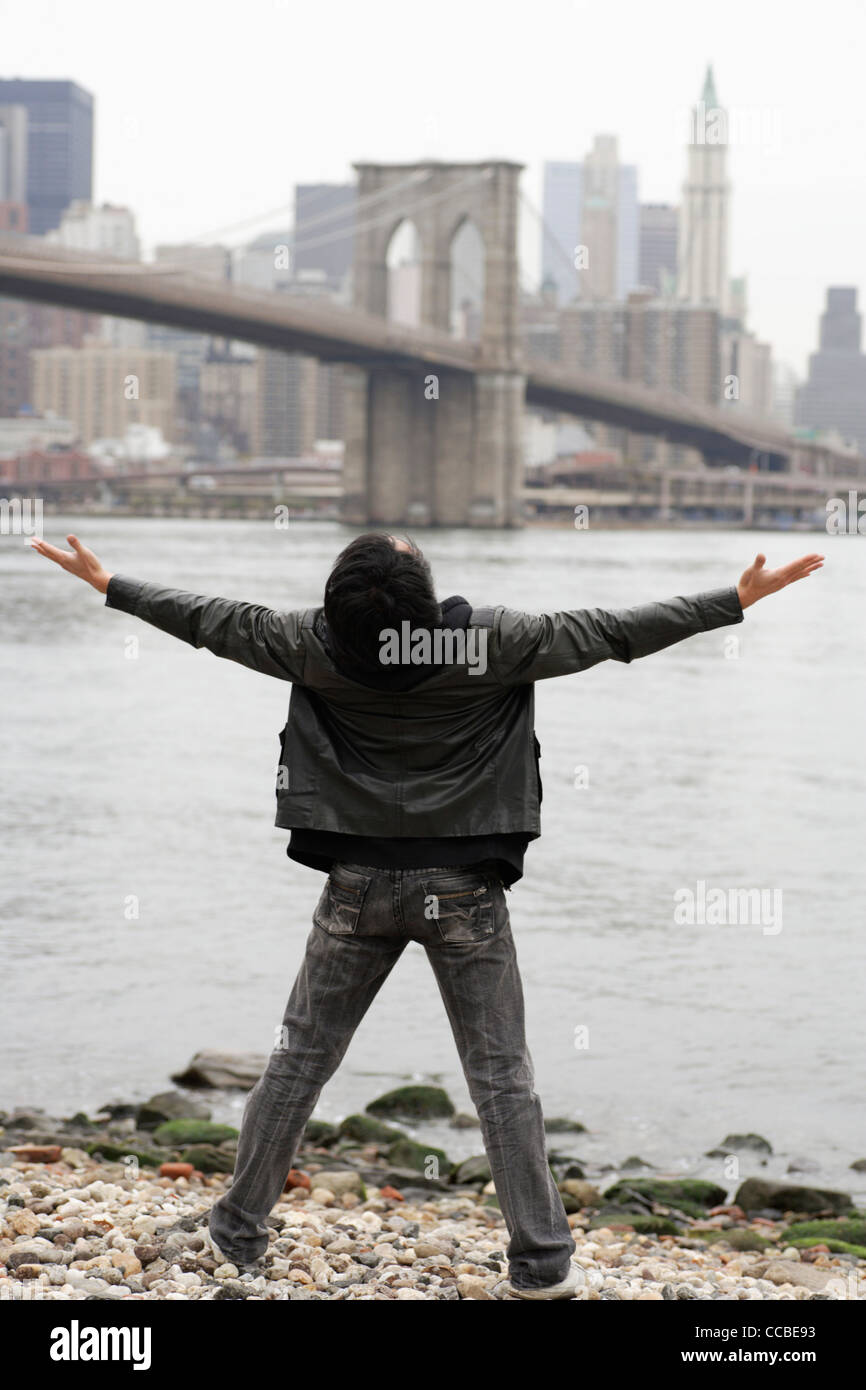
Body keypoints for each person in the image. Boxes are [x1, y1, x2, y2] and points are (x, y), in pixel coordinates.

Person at [30, 529, 823, 1299]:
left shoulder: (308, 642)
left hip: (357, 887)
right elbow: (615, 632)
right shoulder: (492, 642)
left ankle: (237, 1231)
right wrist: (736, 599)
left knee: (299, 1061)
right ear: (424, 598)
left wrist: (111, 585)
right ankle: (542, 1265)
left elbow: (208, 620)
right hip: (467, 892)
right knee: (502, 1080)